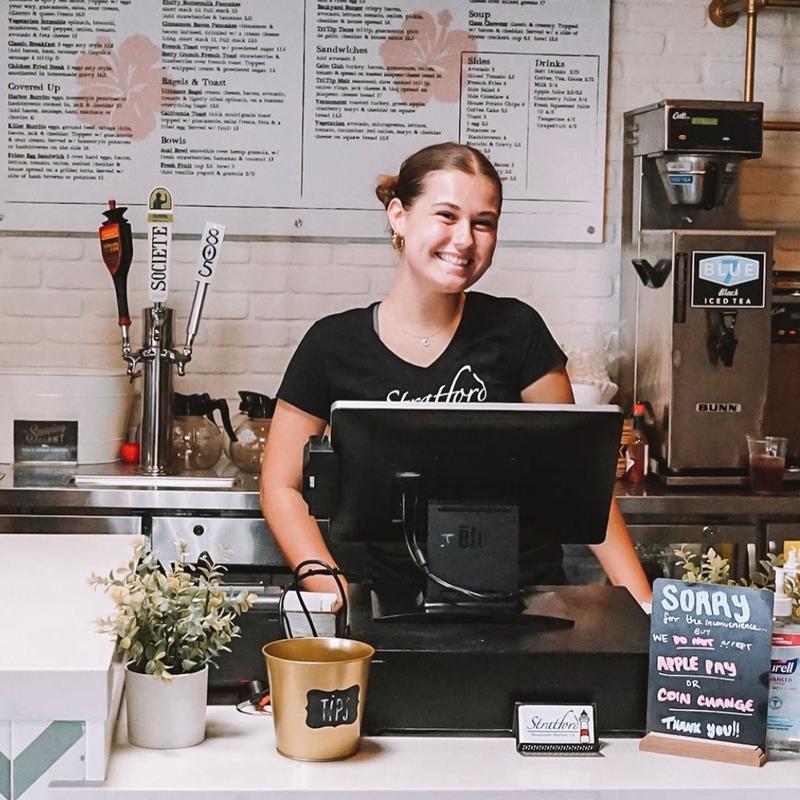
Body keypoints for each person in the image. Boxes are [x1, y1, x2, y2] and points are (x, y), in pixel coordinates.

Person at [260, 142, 652, 606]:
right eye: (446, 216)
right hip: (389, 611)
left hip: (525, 608)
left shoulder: (518, 331)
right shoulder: (332, 345)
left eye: (483, 223)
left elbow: (581, 482)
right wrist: (336, 594)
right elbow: (280, 486)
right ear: (399, 216)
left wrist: (643, 605)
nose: (465, 239)